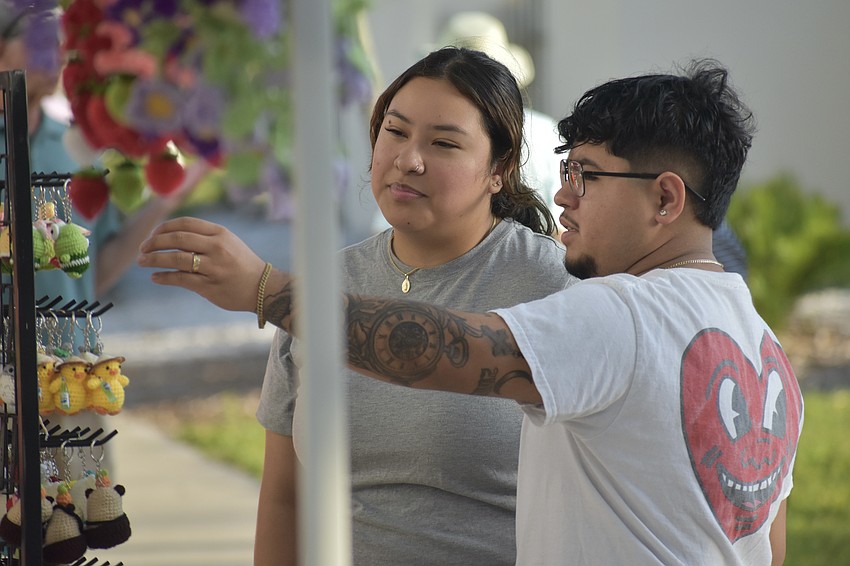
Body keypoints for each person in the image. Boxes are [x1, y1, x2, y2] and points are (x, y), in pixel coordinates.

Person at [139, 59, 803, 565]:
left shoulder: (608, 312)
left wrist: (270, 293)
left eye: (587, 176)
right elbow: (762, 538)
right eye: (394, 130)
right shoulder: (760, 346)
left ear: (665, 200)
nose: (564, 197)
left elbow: (441, 350)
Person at [261, 47, 567, 565]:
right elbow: (283, 497)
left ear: (500, 168)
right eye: (396, 132)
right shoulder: (324, 286)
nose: (408, 160)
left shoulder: (553, 286)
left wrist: (256, 286)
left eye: (444, 143)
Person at [1, 4, 204, 473]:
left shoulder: (77, 149)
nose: (54, 53)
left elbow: (96, 274)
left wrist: (167, 199)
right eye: (36, 39)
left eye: (58, 41)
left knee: (80, 513)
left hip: (70, 388)